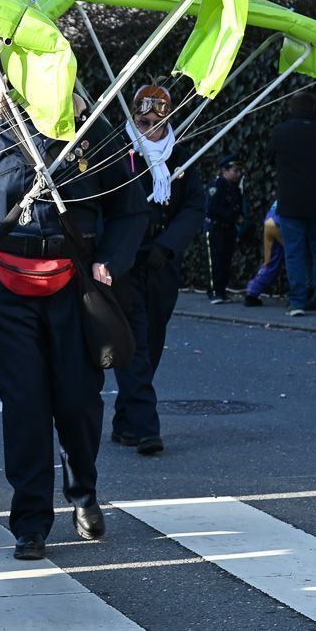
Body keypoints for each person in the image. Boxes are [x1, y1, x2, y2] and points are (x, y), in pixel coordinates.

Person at [0, 91, 146, 559]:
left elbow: (130, 209)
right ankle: (30, 521)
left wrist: (110, 260)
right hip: (6, 289)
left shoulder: (95, 133)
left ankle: (83, 492)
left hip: (74, 283)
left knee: (77, 399)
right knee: (25, 405)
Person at [111, 85, 204, 456]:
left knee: (154, 339)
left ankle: (124, 420)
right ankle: (147, 426)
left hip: (162, 260)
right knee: (134, 340)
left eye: (158, 122)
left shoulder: (181, 155)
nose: (151, 128)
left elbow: (195, 205)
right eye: (143, 121)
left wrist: (168, 246)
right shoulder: (118, 153)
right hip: (127, 260)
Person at [267, 90, 316, 316]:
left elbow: (269, 159)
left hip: (291, 202)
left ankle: (297, 301)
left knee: (294, 252)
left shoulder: (281, 132)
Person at [203, 155, 245, 304]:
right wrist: (232, 216)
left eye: (239, 171)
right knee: (214, 260)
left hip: (228, 228)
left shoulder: (235, 189)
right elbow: (212, 208)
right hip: (215, 227)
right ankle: (214, 291)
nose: (238, 174)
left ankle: (222, 290)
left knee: (226, 260)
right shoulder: (217, 186)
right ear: (224, 170)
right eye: (235, 170)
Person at [241, 201, 283, 307]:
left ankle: (252, 291)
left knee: (269, 262)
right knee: (297, 257)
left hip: (269, 221)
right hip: (280, 223)